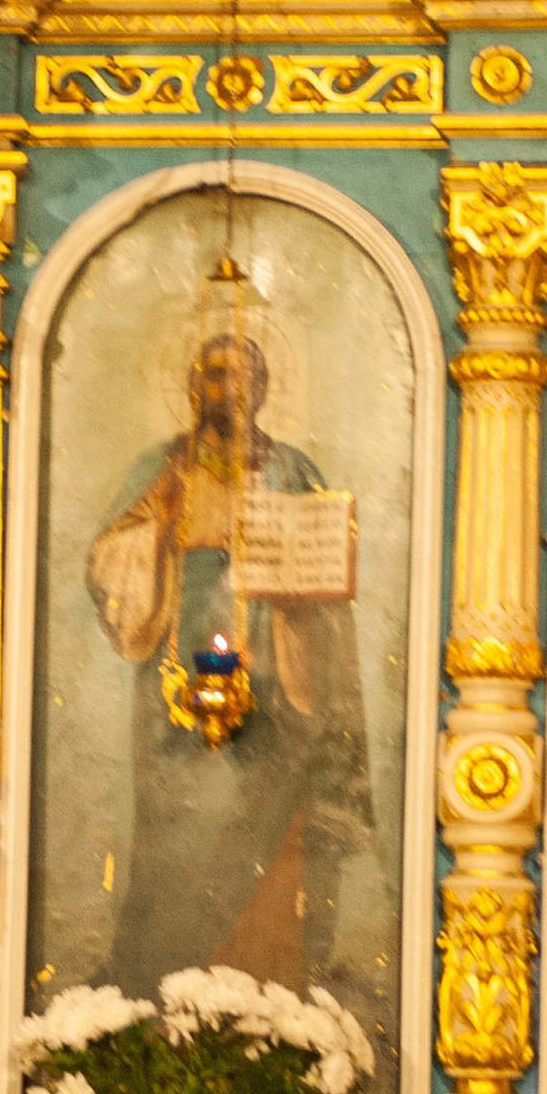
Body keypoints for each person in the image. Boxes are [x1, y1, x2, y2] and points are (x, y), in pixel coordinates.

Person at [87, 324, 374, 999]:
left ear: (265, 387)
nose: (231, 388)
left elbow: (329, 565)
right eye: (216, 373)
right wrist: (158, 531)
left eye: (245, 375)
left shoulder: (292, 470)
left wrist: (301, 559)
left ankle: (268, 997)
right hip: (174, 688)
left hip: (275, 681)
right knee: (175, 840)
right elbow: (109, 557)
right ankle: (155, 993)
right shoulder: (166, 465)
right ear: (194, 386)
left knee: (273, 844)